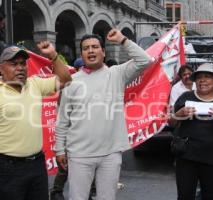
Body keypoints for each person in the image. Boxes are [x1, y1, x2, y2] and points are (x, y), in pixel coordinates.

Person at [54, 28, 155, 200]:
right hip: (79, 154)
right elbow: (63, 120)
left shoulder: (117, 74)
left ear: (103, 51)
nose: (91, 51)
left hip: (110, 154)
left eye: (95, 47)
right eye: (86, 48)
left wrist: (123, 40)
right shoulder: (71, 81)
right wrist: (59, 150)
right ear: (82, 54)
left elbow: (145, 60)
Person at [0, 42, 72, 200]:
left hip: (37, 164)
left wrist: (53, 55)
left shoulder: (34, 83)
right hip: (7, 168)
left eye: (23, 63)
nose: (20, 68)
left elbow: (66, 79)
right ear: (1, 68)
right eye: (14, 64)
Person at [170, 63, 213, 200]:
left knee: (210, 196)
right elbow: (172, 123)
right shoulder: (185, 97)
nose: (202, 80)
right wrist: (179, 113)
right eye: (199, 77)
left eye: (207, 77)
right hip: (186, 157)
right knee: (184, 196)